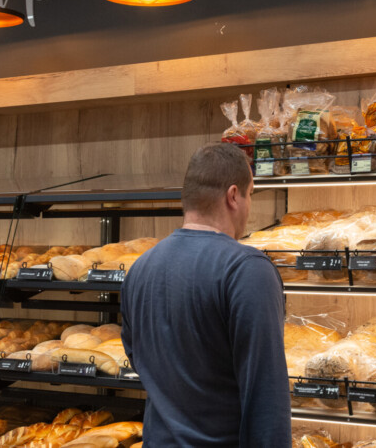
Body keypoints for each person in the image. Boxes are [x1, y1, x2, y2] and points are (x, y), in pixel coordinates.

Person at [121, 143, 291, 447]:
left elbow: (140, 360)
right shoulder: (247, 270)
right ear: (233, 195)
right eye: (251, 194)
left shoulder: (140, 269)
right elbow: (266, 398)